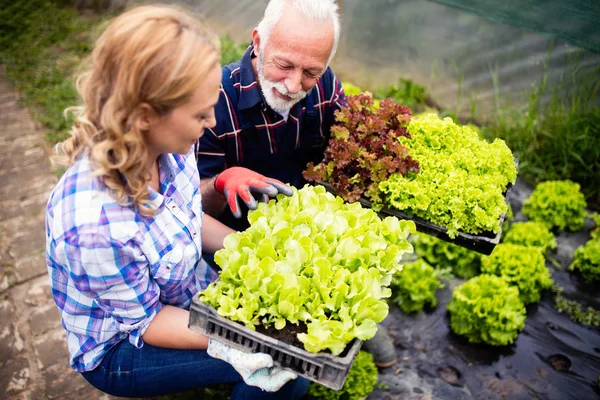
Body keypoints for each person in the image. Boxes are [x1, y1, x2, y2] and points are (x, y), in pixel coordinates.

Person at [44, 5, 308, 399]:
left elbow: (189, 218)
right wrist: (240, 339)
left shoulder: (170, 146)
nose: (213, 124)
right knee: (285, 364)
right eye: (201, 114)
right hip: (123, 347)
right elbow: (147, 323)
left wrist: (256, 251)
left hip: (181, 290)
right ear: (147, 115)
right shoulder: (93, 227)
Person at [195, 0, 398, 369]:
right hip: (234, 240)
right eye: (284, 65)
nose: (293, 85)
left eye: (311, 72)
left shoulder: (324, 86)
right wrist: (223, 182)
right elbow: (193, 210)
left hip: (308, 229)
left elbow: (345, 150)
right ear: (258, 42)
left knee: (343, 287)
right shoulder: (214, 100)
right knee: (285, 350)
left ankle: (350, 319)